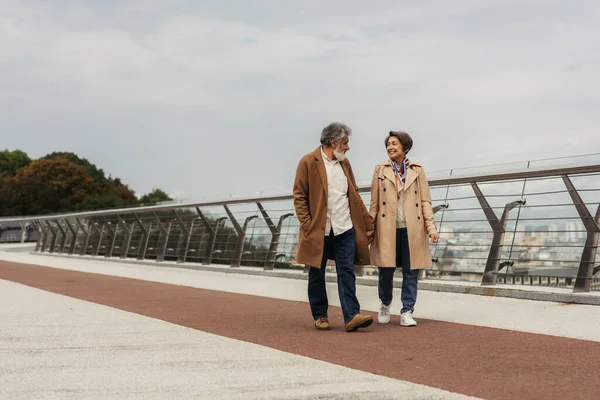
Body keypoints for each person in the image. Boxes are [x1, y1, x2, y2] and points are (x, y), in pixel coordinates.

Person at [293, 122, 375, 332]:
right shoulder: (308, 162)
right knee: (317, 272)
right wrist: (308, 224)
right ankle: (320, 315)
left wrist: (367, 224)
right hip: (319, 230)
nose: (348, 147)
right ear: (334, 142)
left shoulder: (344, 164)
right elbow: (299, 196)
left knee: (346, 271)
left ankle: (352, 316)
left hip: (344, 228)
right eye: (345, 143)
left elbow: (354, 195)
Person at [368, 131, 439, 327]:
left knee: (411, 271)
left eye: (394, 144)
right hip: (386, 228)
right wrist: (369, 228)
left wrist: (431, 228)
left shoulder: (417, 170)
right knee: (386, 271)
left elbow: (425, 201)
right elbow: (374, 202)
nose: (390, 147)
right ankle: (385, 303)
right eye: (388, 144)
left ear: (405, 147)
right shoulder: (380, 170)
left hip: (412, 228)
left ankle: (407, 311)